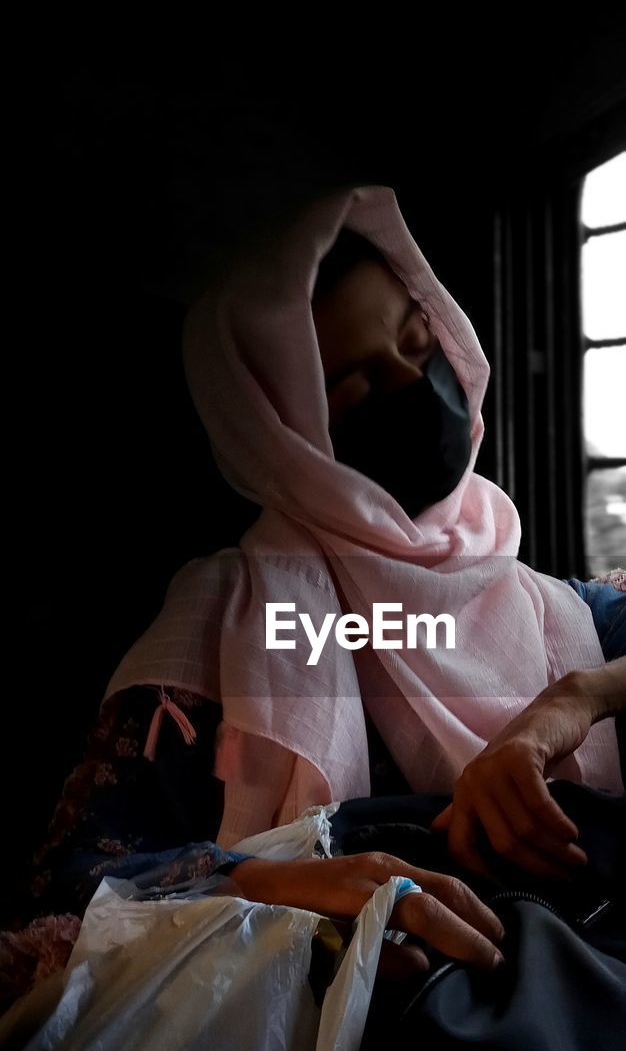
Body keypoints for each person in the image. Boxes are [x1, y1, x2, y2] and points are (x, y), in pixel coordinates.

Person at [18, 185, 625, 1000]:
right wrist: (284, 889)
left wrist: (574, 698)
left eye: (419, 345)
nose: (420, 386)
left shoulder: (550, 610)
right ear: (285, 441)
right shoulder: (236, 618)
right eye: (359, 396)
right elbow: (81, 884)